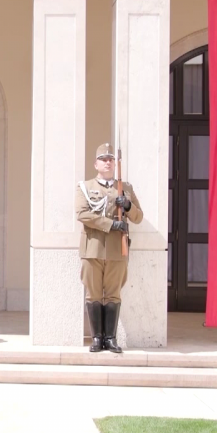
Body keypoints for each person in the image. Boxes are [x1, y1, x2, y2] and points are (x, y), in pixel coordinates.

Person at [75, 143, 143, 353]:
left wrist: (128, 206)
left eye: (111, 160)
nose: (107, 162)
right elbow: (82, 214)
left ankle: (111, 338)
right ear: (96, 164)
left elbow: (138, 217)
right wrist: (111, 224)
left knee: (113, 294)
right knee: (93, 294)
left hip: (117, 250)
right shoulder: (85, 187)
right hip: (92, 249)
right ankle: (97, 338)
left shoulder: (125, 188)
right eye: (103, 159)